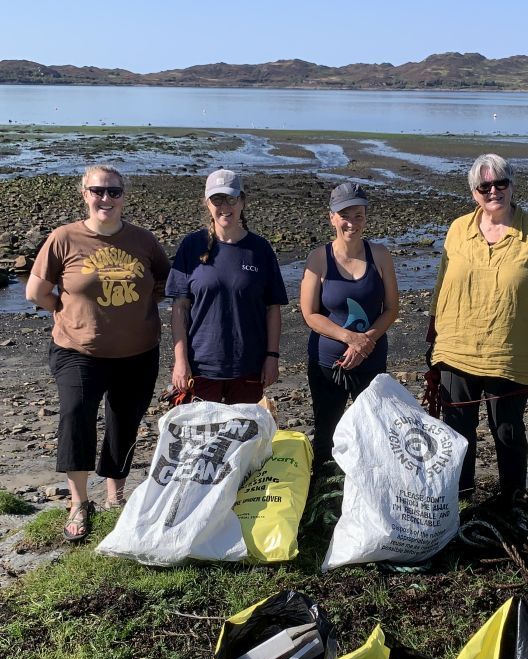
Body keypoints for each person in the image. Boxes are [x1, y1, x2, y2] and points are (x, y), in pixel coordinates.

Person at [25, 164, 170, 542]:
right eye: (98, 191)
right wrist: (64, 310)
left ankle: (114, 496)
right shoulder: (64, 238)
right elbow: (36, 292)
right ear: (84, 194)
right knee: (76, 414)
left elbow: (162, 282)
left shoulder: (143, 241)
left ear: (124, 195)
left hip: (138, 352)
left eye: (114, 191)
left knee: (124, 422)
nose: (106, 198)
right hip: (78, 350)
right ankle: (78, 502)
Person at [428, 153, 528, 499]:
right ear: (474, 193)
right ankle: (460, 498)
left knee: (508, 429)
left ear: (512, 186)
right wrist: (431, 340)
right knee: (457, 430)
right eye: (485, 185)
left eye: (501, 183)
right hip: (455, 348)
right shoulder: (457, 230)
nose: (493, 190)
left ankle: (512, 499)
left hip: (511, 352)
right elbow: (441, 287)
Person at [299, 182, 399, 468]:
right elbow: (309, 314)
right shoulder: (319, 258)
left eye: (358, 215)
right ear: (332, 217)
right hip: (328, 365)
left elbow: (391, 309)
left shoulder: (379, 255)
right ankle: (324, 495)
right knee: (326, 435)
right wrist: (349, 338)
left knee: (371, 433)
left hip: (371, 361)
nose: (351, 223)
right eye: (345, 215)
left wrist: (365, 342)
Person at [168, 169, 287, 404]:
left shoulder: (259, 249)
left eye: (231, 199)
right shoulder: (191, 246)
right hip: (201, 366)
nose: (225, 206)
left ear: (242, 201)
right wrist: (180, 361)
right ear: (207, 204)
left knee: (244, 438)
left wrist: (272, 356)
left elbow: (273, 308)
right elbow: (180, 308)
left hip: (248, 366)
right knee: (204, 438)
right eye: (217, 199)